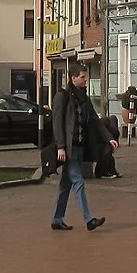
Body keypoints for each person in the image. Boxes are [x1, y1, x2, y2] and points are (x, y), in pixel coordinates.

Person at [50, 64, 107, 232]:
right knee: (78, 182)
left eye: (86, 77)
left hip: (80, 147)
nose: (86, 80)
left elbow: (95, 121)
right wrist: (61, 146)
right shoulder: (62, 96)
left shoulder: (84, 98)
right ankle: (89, 219)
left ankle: (56, 219)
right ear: (73, 78)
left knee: (65, 185)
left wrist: (108, 138)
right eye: (82, 77)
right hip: (68, 148)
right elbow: (57, 123)